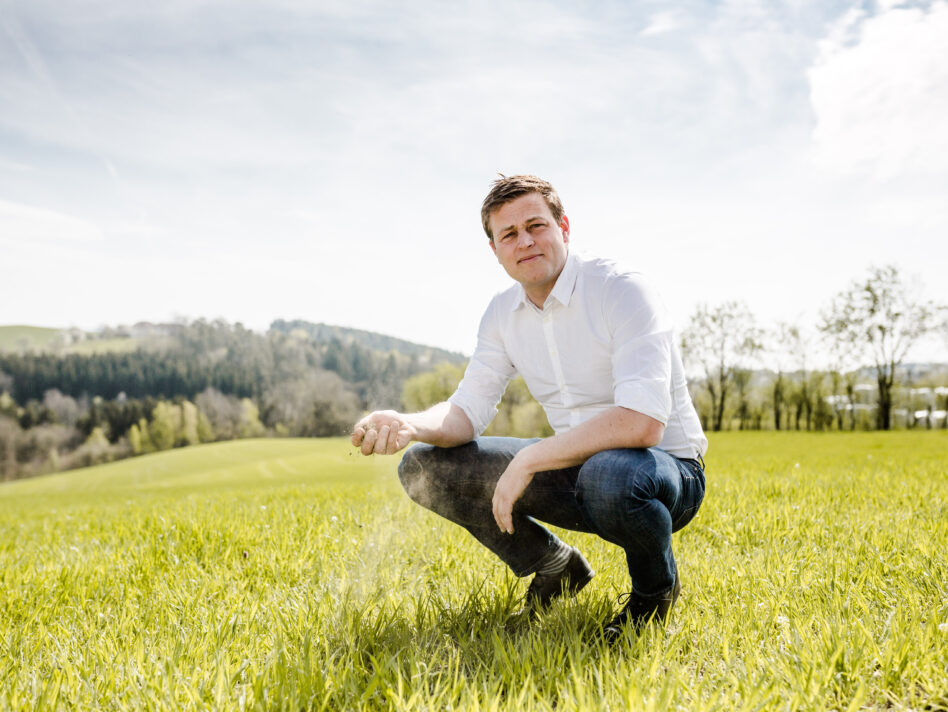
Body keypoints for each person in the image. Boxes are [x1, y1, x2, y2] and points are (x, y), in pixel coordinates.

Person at [351, 174, 707, 642]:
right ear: (496, 250)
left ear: (563, 227)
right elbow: (465, 414)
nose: (525, 241)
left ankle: (654, 592)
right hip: (577, 470)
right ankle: (556, 567)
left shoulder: (622, 289)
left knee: (609, 472)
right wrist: (408, 423)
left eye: (536, 225)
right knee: (424, 467)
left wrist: (531, 458)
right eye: (509, 235)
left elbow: (642, 422)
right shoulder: (502, 314)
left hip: (665, 475)